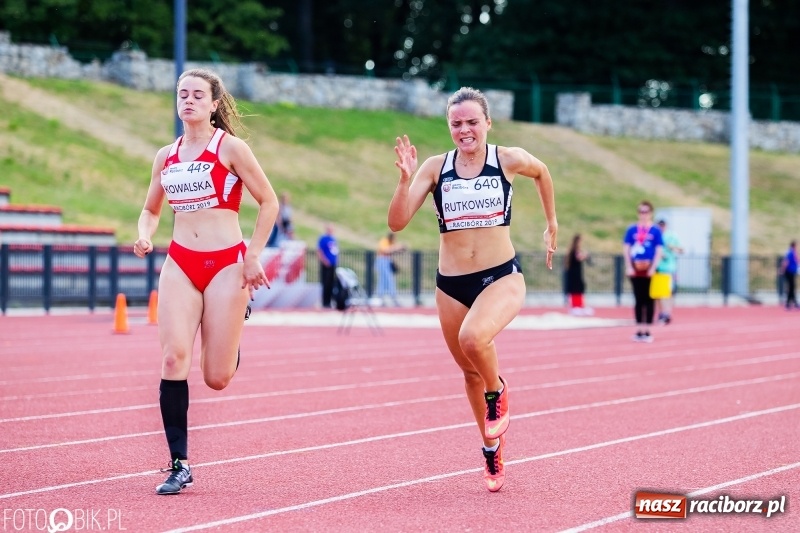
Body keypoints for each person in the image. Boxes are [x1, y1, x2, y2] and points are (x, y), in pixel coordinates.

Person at [389, 87, 557, 492]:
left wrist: (552, 222)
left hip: (501, 275)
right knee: (467, 372)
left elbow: (543, 172)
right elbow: (397, 223)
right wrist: (405, 180)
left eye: (471, 122)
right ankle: (490, 448)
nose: (464, 130)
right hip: (450, 286)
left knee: (473, 338)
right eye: (456, 123)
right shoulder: (435, 168)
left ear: (487, 124)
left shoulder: (507, 159)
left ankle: (498, 389)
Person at [133, 68, 279, 495]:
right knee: (173, 359)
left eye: (198, 94)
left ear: (215, 103)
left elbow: (268, 201)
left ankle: (231, 339)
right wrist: (144, 234)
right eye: (182, 93)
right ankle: (179, 463)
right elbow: (151, 209)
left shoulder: (230, 148)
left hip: (226, 265)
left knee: (216, 376)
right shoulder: (167, 155)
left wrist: (252, 255)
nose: (189, 100)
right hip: (180, 262)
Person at [623, 201, 664, 342]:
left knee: (649, 299)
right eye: (641, 211)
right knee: (638, 299)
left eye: (646, 211)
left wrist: (653, 268)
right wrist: (629, 266)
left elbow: (659, 250)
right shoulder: (632, 230)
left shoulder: (655, 231)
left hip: (650, 269)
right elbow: (626, 249)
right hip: (636, 269)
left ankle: (647, 330)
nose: (643, 214)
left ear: (651, 213)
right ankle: (639, 329)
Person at [654, 219, 683, 324]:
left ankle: (666, 313)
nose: (661, 227)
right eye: (659, 225)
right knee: (658, 293)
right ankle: (661, 313)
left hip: (668, 268)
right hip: (657, 267)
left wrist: (672, 247)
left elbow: (681, 249)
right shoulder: (655, 235)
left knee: (667, 292)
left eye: (663, 225)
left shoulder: (671, 236)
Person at [375, 231, 406, 306]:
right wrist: (396, 247)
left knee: (386, 279)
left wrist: (400, 249)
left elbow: (393, 250)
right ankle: (391, 297)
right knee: (387, 279)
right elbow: (385, 250)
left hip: (387, 261)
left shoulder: (391, 242)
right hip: (382, 261)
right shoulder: (384, 241)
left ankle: (382, 297)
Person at [564, 233, 592, 316]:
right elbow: (579, 257)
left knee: (579, 289)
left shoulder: (574, 251)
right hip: (574, 275)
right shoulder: (574, 251)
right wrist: (586, 255)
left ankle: (580, 306)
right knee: (575, 289)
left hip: (576, 274)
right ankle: (575, 306)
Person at [317, 223, 339, 308]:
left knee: (331, 283)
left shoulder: (333, 239)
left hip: (333, 264)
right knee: (325, 283)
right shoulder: (323, 239)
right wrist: (324, 260)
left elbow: (335, 250)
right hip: (326, 264)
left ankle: (330, 301)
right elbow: (319, 250)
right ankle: (325, 302)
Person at [781, 240, 798, 309]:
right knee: (791, 287)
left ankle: (792, 302)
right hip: (789, 272)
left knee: (792, 287)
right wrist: (783, 269)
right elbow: (786, 261)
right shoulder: (790, 252)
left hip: (791, 271)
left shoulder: (791, 252)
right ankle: (790, 303)